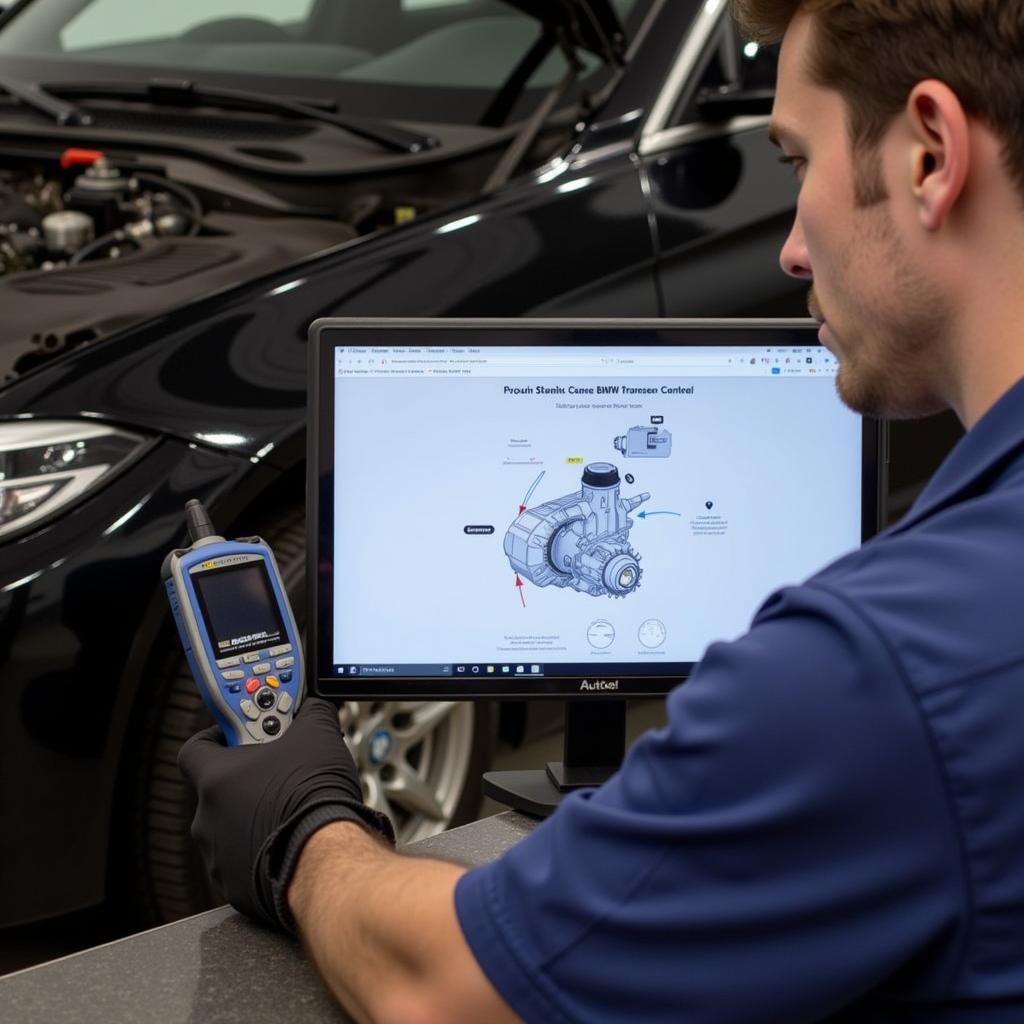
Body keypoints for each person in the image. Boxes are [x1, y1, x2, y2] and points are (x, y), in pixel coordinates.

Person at [178, 1, 1024, 1020]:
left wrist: (302, 828)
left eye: (796, 164)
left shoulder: (882, 669)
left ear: (929, 153)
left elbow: (441, 989)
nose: (792, 249)